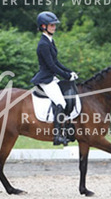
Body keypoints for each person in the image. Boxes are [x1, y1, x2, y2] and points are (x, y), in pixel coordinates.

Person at [30, 11, 79, 145]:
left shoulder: (50, 41)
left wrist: (70, 72)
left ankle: (67, 129)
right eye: (51, 25)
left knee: (69, 96)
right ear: (43, 26)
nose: (54, 27)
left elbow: (56, 62)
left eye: (54, 25)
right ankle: (57, 136)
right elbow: (51, 65)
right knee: (61, 103)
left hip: (51, 77)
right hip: (46, 79)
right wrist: (66, 76)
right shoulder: (43, 44)